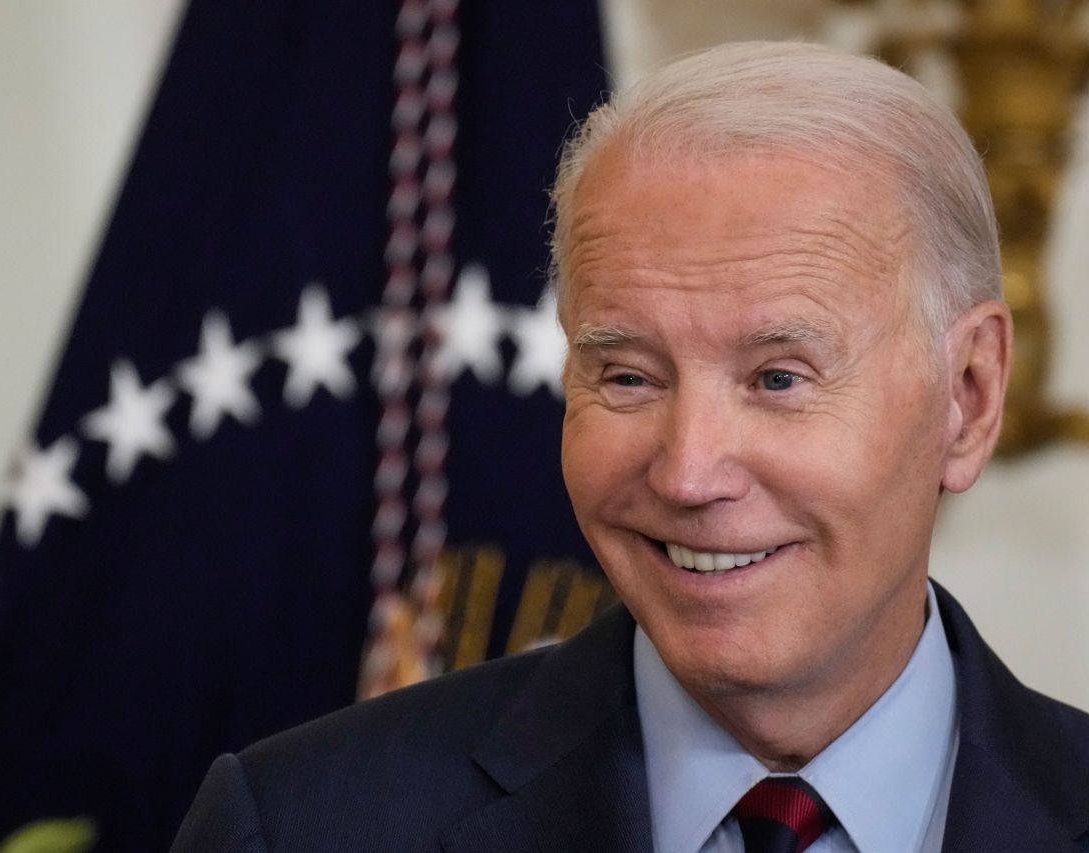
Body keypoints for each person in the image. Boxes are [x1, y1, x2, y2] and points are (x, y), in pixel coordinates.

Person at [171, 41, 1089, 853]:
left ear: (967, 398)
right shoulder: (300, 825)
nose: (687, 472)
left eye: (779, 378)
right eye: (628, 378)